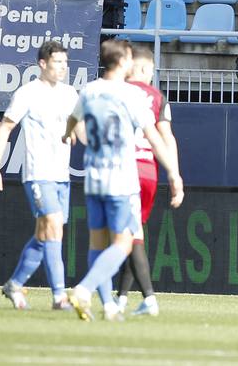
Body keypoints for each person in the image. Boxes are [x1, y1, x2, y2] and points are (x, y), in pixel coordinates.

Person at [62, 40, 183, 321]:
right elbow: (154, 137)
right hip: (121, 179)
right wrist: (174, 174)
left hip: (93, 178)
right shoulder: (131, 95)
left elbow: (72, 121)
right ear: (123, 61)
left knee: (97, 244)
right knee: (124, 244)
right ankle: (84, 289)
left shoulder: (89, 90)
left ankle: (108, 307)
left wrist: (69, 136)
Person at [0, 40, 79, 312]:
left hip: (62, 174)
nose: (63, 67)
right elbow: (5, 128)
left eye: (65, 62)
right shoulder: (27, 93)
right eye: (57, 62)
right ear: (42, 63)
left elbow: (77, 125)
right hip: (38, 173)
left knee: (46, 236)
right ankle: (60, 297)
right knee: (52, 230)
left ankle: (15, 284)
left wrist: (77, 133)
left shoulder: (70, 93)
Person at [111, 47, 176, 317]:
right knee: (133, 235)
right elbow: (167, 138)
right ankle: (122, 299)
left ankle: (149, 298)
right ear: (146, 69)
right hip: (149, 171)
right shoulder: (158, 97)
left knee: (130, 238)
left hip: (125, 170)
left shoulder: (117, 93)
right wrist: (175, 173)